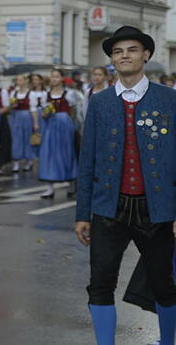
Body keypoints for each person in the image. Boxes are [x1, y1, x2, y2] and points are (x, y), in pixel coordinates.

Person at [75, 25, 176, 345]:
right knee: (100, 283)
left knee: (165, 283)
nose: (125, 56)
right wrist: (82, 213)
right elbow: (87, 160)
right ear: (112, 61)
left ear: (146, 55)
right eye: (118, 52)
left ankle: (166, 341)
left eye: (132, 49)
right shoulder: (100, 101)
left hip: (157, 209)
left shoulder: (169, 99)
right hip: (109, 208)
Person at [38, 69, 79, 199]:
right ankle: (49, 187)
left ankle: (71, 183)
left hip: (65, 124)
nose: (54, 79)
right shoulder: (46, 94)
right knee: (49, 153)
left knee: (66, 152)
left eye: (57, 77)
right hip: (50, 125)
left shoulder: (69, 94)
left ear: (62, 78)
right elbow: (42, 113)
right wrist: (45, 113)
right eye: (52, 77)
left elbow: (72, 111)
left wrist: (73, 127)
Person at [8, 74, 38, 173]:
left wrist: (35, 123)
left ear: (25, 81)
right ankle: (16, 162)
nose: (19, 82)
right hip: (16, 117)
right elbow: (10, 107)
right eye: (17, 80)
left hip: (27, 118)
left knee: (27, 138)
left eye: (21, 80)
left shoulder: (31, 94)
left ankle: (29, 161)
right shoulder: (13, 93)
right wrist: (12, 105)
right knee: (16, 139)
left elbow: (33, 109)